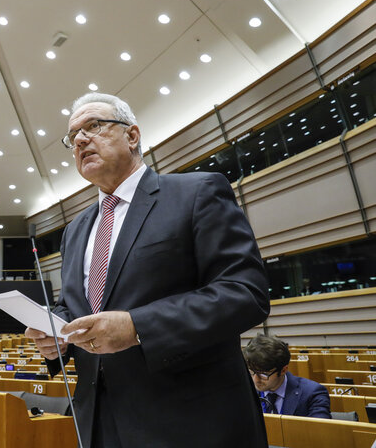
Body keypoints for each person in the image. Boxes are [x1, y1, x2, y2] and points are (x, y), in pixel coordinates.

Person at [25, 93, 270, 447]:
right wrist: (58, 335)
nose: (79, 139)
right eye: (72, 136)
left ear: (132, 135)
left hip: (189, 422)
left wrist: (137, 327)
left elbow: (245, 293)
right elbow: (77, 305)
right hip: (99, 421)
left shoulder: (196, 193)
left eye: (93, 126)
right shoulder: (75, 230)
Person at [243, 334, 331, 418]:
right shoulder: (245, 392)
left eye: (263, 374)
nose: (255, 380)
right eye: (252, 372)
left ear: (283, 370)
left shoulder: (313, 393)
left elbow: (320, 432)